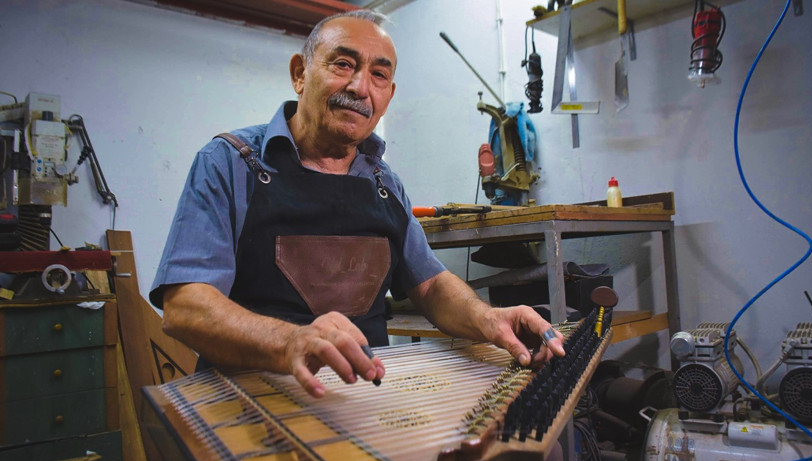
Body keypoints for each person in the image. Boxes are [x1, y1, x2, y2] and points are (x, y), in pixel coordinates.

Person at [150, 9, 564, 399]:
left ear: (389, 93)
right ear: (300, 73)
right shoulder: (228, 162)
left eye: (378, 75)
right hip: (246, 401)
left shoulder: (384, 182)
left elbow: (432, 285)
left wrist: (488, 318)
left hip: (363, 400)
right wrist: (288, 341)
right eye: (343, 64)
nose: (360, 88)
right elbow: (185, 306)